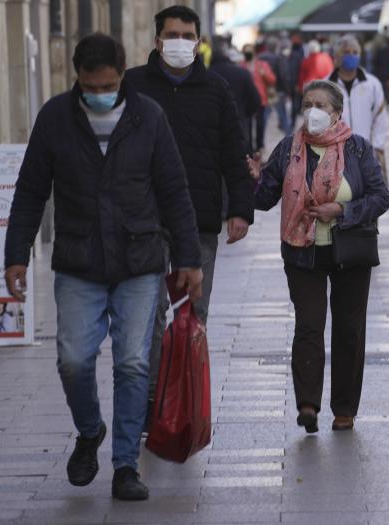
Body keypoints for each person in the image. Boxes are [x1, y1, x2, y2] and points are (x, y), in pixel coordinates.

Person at [4, 33, 203, 500]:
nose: (100, 93)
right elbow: (31, 190)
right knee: (73, 359)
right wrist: (16, 254)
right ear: (78, 78)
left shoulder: (147, 116)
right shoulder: (55, 118)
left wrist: (190, 258)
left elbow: (174, 190)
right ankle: (90, 430)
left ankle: (126, 465)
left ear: (121, 75)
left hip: (139, 260)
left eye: (109, 84)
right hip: (79, 260)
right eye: (92, 85)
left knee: (133, 362)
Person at [124, 5, 254, 414]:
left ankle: (179, 398)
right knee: (148, 313)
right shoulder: (133, 85)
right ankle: (149, 401)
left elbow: (234, 151)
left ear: (198, 43)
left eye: (187, 36)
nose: (180, 43)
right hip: (144, 220)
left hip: (198, 220)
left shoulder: (215, 89)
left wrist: (241, 210)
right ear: (157, 40)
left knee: (192, 313)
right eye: (172, 35)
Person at [247, 80, 389, 433]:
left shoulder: (358, 149)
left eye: (321, 105)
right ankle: (307, 404)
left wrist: (341, 210)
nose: (313, 110)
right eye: (307, 103)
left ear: (337, 113)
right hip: (302, 252)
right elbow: (264, 198)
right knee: (309, 325)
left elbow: (379, 197)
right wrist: (251, 180)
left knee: (349, 330)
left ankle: (344, 409)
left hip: (350, 251)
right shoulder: (288, 149)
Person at [328, 35, 389, 183]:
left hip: (367, 153)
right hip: (334, 157)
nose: (352, 55)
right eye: (346, 52)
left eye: (355, 52)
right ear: (336, 56)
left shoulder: (372, 84)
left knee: (370, 200)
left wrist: (378, 146)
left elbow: (380, 118)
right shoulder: (326, 87)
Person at [210, 35, 261, 153]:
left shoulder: (205, 75)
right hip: (240, 130)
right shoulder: (242, 73)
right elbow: (255, 101)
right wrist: (243, 113)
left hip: (212, 133)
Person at [241, 43, 277, 152]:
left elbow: (273, 80)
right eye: (246, 51)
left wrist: (264, 73)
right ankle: (249, 146)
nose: (248, 53)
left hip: (261, 98)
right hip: (246, 99)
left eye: (250, 51)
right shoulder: (241, 65)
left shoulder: (262, 64)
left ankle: (259, 145)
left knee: (260, 124)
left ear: (254, 52)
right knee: (247, 124)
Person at [259, 36, 292, 136]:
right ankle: (289, 138)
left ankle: (260, 140)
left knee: (264, 116)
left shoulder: (259, 57)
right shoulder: (279, 58)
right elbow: (283, 76)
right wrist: (287, 91)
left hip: (264, 90)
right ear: (276, 46)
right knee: (283, 115)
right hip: (278, 90)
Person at [372, 35, 389, 106]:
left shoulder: (381, 50)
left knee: (384, 88)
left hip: (382, 72)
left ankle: (387, 100)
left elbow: (375, 62)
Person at [288, 35, 306, 128]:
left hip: (295, 82)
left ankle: (292, 123)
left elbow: (294, 70)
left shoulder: (294, 54)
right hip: (298, 82)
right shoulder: (301, 53)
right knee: (296, 103)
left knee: (295, 104)